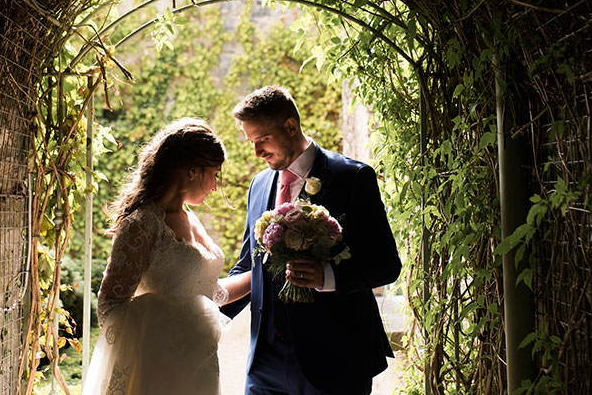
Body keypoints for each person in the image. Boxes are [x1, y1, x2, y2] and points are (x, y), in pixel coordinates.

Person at [222, 86, 402, 395]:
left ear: (291, 126)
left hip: (336, 359)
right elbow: (248, 265)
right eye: (251, 142)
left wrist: (327, 276)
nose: (256, 152)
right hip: (266, 365)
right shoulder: (258, 184)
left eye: (263, 140)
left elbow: (386, 265)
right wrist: (201, 312)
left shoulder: (352, 178)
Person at [84, 117, 251, 395]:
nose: (215, 186)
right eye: (215, 174)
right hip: (159, 370)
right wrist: (165, 339)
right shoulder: (142, 224)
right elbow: (110, 306)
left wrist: (263, 273)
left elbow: (211, 292)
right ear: (193, 171)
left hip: (200, 366)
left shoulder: (192, 219)